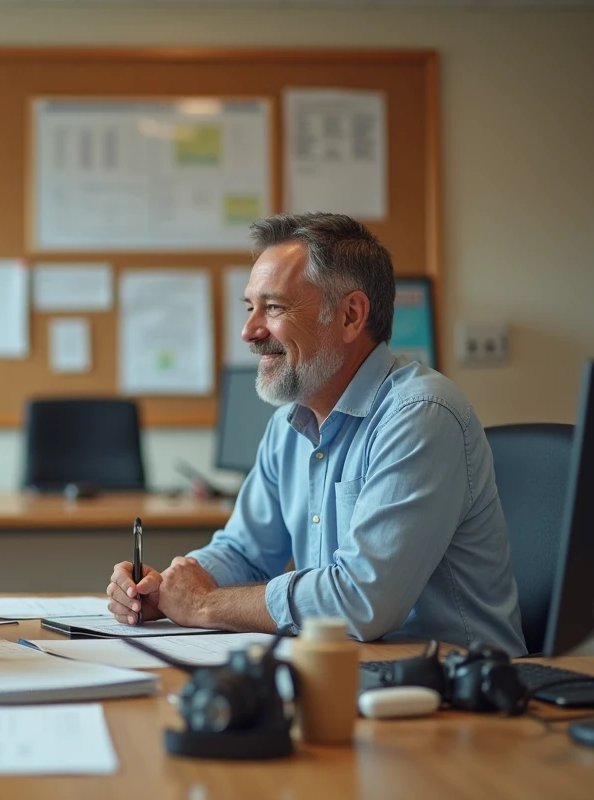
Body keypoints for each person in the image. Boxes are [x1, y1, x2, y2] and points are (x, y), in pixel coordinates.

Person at [106, 213, 526, 656]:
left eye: (273, 307)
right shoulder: (288, 424)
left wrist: (203, 604)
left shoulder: (421, 415)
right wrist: (168, 587)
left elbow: (362, 601)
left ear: (350, 316)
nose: (249, 331)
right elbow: (245, 552)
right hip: (348, 670)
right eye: (250, 308)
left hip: (458, 682)